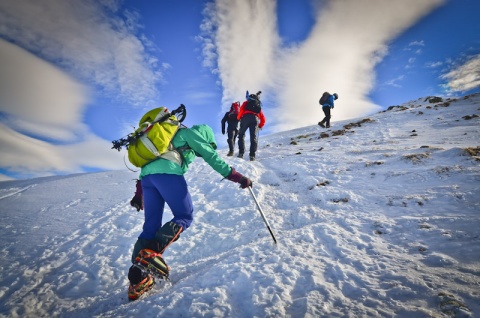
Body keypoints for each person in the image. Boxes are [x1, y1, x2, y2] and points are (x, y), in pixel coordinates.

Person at [127, 123, 252, 300]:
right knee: (184, 216)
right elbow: (212, 157)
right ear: (206, 136)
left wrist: (139, 194)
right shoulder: (190, 134)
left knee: (151, 227)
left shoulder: (166, 137)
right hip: (168, 174)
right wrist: (237, 177)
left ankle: (137, 278)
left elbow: (147, 168)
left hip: (147, 179)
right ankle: (150, 254)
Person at [237, 91, 266, 161]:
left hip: (245, 118)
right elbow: (263, 118)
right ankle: (252, 155)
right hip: (255, 119)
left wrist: (239, 118)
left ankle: (241, 153)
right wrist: (260, 125)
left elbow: (241, 110)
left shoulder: (246, 103)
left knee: (241, 135)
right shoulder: (257, 105)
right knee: (253, 137)